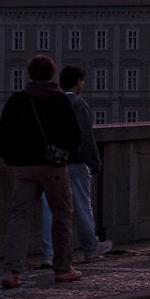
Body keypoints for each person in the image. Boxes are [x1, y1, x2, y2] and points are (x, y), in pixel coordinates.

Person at [0, 53, 82, 288]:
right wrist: (64, 156)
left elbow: (2, 138)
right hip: (53, 167)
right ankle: (63, 269)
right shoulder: (60, 100)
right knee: (62, 217)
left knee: (19, 219)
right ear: (52, 74)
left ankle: (12, 271)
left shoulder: (18, 100)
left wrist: (15, 159)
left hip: (24, 168)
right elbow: (74, 136)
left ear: (30, 75)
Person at [38, 62, 104, 259]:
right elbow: (86, 137)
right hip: (75, 162)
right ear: (78, 82)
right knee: (83, 206)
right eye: (82, 81)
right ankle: (91, 247)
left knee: (49, 208)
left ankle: (48, 254)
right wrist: (95, 162)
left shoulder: (50, 102)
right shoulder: (78, 104)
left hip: (52, 163)